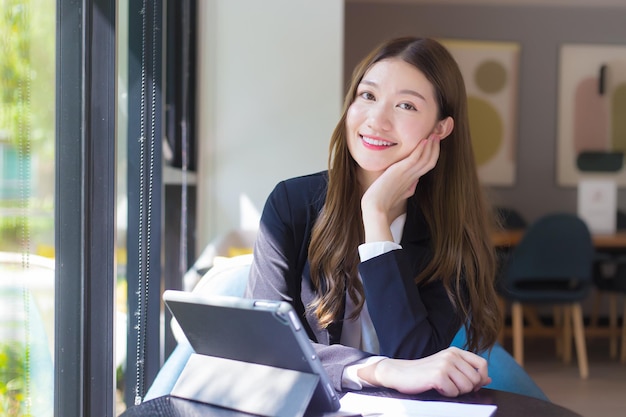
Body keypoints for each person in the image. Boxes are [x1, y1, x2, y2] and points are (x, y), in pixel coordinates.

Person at [245, 36, 502, 398]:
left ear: (440, 128)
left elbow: (418, 360)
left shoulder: (452, 233)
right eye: (368, 96)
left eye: (406, 106)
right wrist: (377, 370)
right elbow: (263, 347)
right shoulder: (292, 204)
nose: (377, 120)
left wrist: (376, 214)